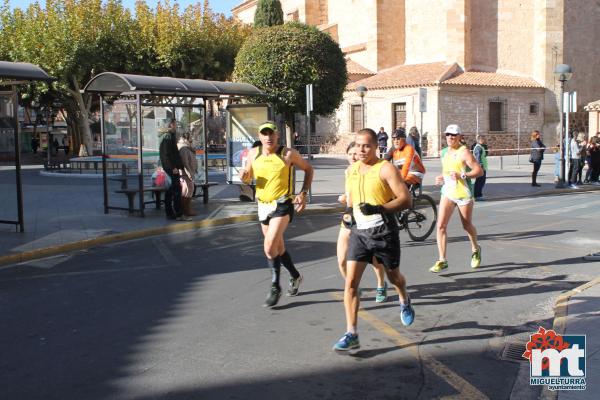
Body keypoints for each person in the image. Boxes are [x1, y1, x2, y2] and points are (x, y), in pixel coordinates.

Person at [333, 128, 414, 351]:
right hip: (360, 234)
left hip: (384, 232)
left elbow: (406, 200)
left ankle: (404, 299)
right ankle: (352, 332)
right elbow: (352, 199)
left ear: (376, 147)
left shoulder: (385, 169)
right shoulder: (351, 171)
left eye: (366, 145)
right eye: (358, 145)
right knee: (350, 284)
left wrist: (378, 208)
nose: (361, 149)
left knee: (394, 277)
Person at [239, 121, 314, 307]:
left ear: (277, 135)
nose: (268, 137)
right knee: (278, 248)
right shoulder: (253, 154)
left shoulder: (288, 154)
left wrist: (303, 193)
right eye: (264, 134)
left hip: (282, 204)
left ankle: (275, 286)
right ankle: (296, 276)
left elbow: (308, 169)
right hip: (263, 205)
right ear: (260, 136)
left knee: (269, 245)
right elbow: (248, 175)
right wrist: (244, 176)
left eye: (271, 133)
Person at [337, 142, 388, 304]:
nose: (353, 157)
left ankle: (381, 284)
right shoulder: (349, 171)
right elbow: (350, 194)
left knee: (374, 258)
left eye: (355, 154)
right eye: (350, 154)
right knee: (341, 259)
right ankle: (353, 286)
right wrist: (345, 198)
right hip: (349, 217)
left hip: (366, 218)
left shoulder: (370, 170)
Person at [430, 124, 483, 273]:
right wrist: (441, 178)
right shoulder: (444, 152)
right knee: (440, 226)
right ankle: (442, 260)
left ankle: (475, 248)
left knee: (466, 225)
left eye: (453, 135)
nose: (450, 138)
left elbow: (479, 171)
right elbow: (447, 172)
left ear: (460, 137)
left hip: (463, 193)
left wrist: (463, 175)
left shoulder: (464, 152)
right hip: (447, 192)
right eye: (447, 134)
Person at [159, 119, 185, 220]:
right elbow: (167, 154)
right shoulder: (167, 137)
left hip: (168, 167)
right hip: (171, 168)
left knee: (170, 191)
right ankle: (178, 214)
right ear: (170, 125)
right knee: (176, 191)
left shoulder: (168, 136)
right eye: (175, 124)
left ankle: (170, 213)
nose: (176, 126)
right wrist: (173, 167)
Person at [177, 132, 198, 218]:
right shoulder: (184, 149)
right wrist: (189, 173)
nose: (191, 139)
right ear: (185, 139)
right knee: (190, 189)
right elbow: (185, 162)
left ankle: (185, 209)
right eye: (190, 138)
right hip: (186, 173)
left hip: (188, 172)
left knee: (186, 190)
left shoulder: (187, 148)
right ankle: (187, 209)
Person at [473, 135, 488, 199]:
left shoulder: (480, 147)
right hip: (481, 168)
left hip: (482, 167)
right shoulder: (478, 148)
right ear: (480, 140)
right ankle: (478, 195)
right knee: (480, 182)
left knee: (481, 181)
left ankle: (478, 194)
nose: (485, 140)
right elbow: (478, 158)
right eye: (484, 139)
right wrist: (481, 166)